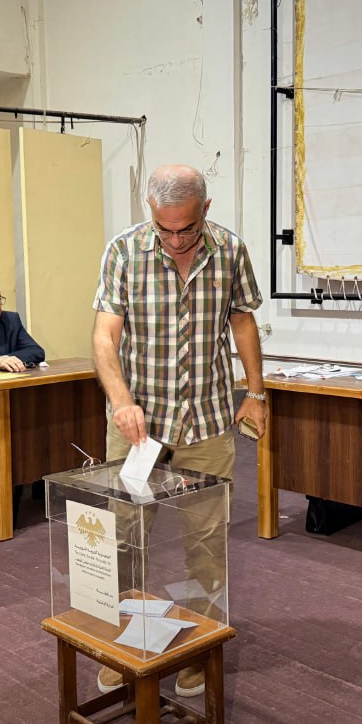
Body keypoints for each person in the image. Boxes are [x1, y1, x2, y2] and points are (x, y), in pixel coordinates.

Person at [91, 164, 265, 697]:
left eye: (185, 229)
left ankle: (197, 648)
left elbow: (242, 321)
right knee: (124, 537)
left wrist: (256, 392)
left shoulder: (230, 251)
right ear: (151, 211)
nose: (174, 239)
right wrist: (121, 401)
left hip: (208, 421)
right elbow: (104, 336)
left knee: (207, 542)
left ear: (205, 210)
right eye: (163, 229)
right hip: (138, 427)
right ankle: (124, 642)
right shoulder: (124, 251)